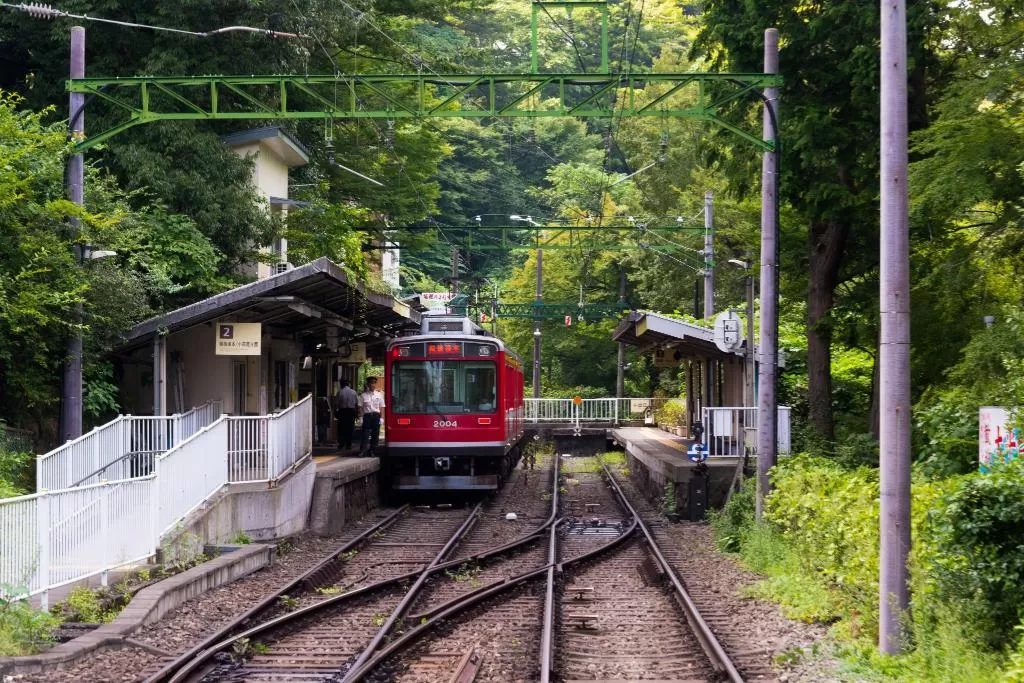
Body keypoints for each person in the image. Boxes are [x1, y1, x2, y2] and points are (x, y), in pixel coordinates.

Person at [358, 376, 386, 456]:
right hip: (367, 416)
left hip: (376, 416)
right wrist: (360, 417)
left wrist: (382, 418)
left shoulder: (379, 395)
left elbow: (382, 407)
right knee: (365, 434)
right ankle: (363, 451)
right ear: (368, 384)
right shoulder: (363, 395)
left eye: (374, 383)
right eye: (371, 383)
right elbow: (360, 407)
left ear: (375, 384)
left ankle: (372, 451)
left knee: (375, 434)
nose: (372, 385)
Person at [335, 379, 359, 451]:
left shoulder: (340, 392)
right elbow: (356, 403)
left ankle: (341, 444)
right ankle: (348, 445)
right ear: (348, 384)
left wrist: (336, 412)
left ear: (342, 384)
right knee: (350, 428)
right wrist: (356, 413)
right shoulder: (353, 392)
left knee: (342, 428)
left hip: (342, 411)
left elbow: (336, 403)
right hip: (351, 412)